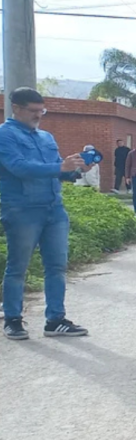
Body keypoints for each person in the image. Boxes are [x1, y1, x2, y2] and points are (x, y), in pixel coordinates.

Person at [0, 87, 90, 340]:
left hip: (54, 209)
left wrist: (76, 169)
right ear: (16, 108)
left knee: (57, 266)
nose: (39, 115)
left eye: (42, 111)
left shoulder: (46, 138)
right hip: (21, 210)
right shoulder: (4, 136)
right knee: (18, 267)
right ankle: (13, 319)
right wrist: (58, 166)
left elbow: (59, 172)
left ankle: (55, 320)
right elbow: (18, 167)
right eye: (33, 111)